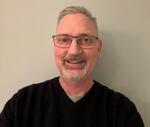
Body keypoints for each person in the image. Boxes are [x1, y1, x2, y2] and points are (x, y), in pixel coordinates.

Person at [0, 6, 144, 127]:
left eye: (86, 40)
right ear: (54, 47)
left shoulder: (123, 112)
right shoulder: (22, 105)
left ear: (99, 48)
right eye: (64, 39)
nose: (74, 51)